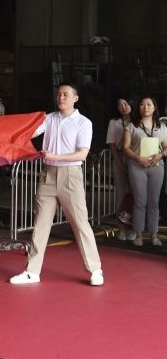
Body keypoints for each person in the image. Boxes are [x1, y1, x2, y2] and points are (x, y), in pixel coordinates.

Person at [9, 83, 103, 286]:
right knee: (41, 223)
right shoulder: (48, 119)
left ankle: (95, 269)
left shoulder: (83, 123)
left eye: (66, 94)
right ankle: (32, 271)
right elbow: (29, 132)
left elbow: (82, 154)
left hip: (71, 176)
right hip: (48, 175)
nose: (61, 97)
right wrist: (8, 132)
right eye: (59, 94)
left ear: (75, 98)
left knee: (80, 223)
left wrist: (55, 155)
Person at [121, 95, 167, 247]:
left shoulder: (162, 127)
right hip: (137, 166)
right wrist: (137, 158)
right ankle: (138, 234)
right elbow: (126, 148)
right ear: (138, 108)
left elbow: (166, 147)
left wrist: (160, 155)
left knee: (154, 202)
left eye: (149, 104)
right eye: (142, 104)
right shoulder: (131, 126)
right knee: (140, 201)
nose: (145, 107)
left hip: (156, 166)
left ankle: (154, 235)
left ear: (154, 108)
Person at [105, 97, 133, 232]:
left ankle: (134, 227)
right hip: (120, 156)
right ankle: (121, 227)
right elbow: (112, 145)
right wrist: (119, 163)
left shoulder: (138, 122)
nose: (123, 106)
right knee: (121, 193)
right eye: (119, 104)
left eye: (126, 103)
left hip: (135, 158)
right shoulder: (114, 122)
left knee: (136, 194)